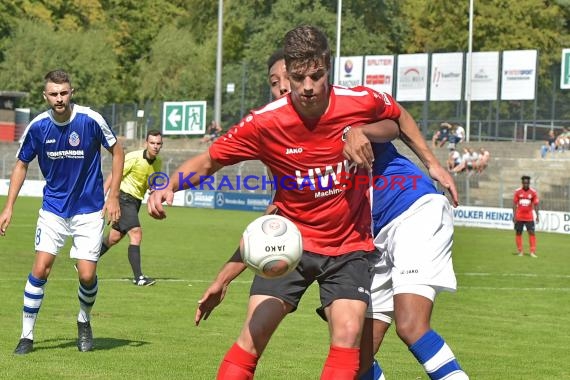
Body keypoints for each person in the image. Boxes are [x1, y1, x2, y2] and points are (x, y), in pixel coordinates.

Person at [193, 41, 466, 379]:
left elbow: (394, 121)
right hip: (369, 237)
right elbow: (274, 219)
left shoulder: (342, 108)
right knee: (358, 359)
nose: (281, 86)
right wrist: (224, 277)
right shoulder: (285, 136)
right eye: (274, 81)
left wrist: (419, 157)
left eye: (286, 77)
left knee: (411, 325)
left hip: (411, 208)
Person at [149, 25, 402, 379]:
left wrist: (365, 133)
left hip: (349, 247)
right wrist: (170, 184)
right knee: (253, 335)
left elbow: (394, 120)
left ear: (327, 67)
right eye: (296, 78)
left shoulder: (352, 102)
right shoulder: (264, 124)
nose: (306, 86)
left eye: (315, 75)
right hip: (290, 242)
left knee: (346, 334)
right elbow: (210, 161)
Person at [0, 69, 124, 355]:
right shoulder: (38, 127)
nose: (59, 98)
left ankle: (84, 320)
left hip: (89, 210)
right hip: (54, 210)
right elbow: (21, 164)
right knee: (40, 268)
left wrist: (113, 195)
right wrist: (9, 207)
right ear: (46, 96)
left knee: (86, 276)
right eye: (54, 94)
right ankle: (26, 336)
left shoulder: (90, 120)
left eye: (64, 92)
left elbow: (118, 151)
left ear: (72, 92)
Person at [98, 129, 163, 286]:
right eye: (152, 143)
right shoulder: (134, 157)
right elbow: (114, 174)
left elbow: (150, 184)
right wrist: (102, 198)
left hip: (135, 202)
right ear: (146, 143)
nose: (155, 146)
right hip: (123, 197)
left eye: (158, 143)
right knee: (136, 233)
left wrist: (154, 190)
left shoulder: (158, 163)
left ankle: (83, 263)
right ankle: (139, 277)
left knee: (113, 238)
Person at [513, 175, 540, 257]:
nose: (526, 185)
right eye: (524, 183)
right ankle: (520, 251)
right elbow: (514, 204)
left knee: (532, 233)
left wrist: (537, 216)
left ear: (529, 183)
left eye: (527, 183)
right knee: (518, 233)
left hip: (529, 217)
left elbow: (536, 205)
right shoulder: (517, 192)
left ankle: (532, 252)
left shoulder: (533, 192)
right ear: (522, 183)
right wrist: (514, 216)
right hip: (519, 216)